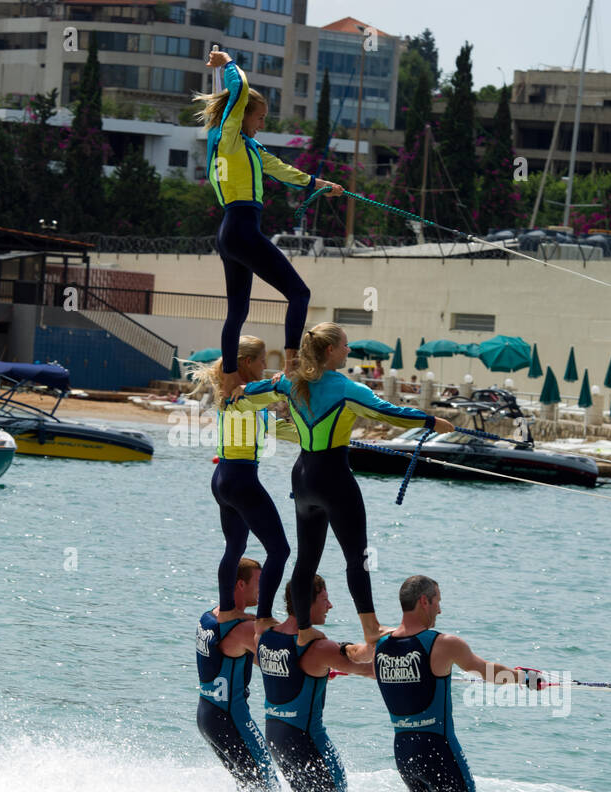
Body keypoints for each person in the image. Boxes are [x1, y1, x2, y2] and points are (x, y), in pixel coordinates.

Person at [234, 323, 453, 644]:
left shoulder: (291, 383)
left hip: (303, 478)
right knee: (357, 556)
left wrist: (241, 391)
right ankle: (370, 629)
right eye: (345, 346)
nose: (349, 351)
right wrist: (432, 421)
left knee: (307, 559)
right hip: (333, 478)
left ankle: (303, 631)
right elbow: (388, 413)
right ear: (329, 351)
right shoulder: (346, 388)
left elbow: (254, 391)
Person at [194, 48, 343, 399]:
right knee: (299, 293)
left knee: (238, 311)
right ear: (242, 116)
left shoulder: (245, 146)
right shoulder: (228, 137)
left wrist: (322, 186)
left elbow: (283, 170)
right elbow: (241, 87)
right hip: (242, 229)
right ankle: (292, 367)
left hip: (230, 232)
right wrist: (227, 62)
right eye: (259, 118)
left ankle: (230, 379)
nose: (263, 124)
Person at [373, 575, 544, 792]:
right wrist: (525, 678)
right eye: (437, 600)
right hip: (438, 752)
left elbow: (362, 664)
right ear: (424, 601)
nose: (440, 609)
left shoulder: (381, 646)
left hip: (404, 755)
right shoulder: (443, 643)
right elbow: (484, 671)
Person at [190, 335, 296, 638]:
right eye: (263, 361)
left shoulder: (238, 396)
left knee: (235, 547)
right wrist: (284, 380)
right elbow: (280, 391)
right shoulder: (243, 395)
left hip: (223, 478)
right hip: (241, 480)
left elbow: (275, 427)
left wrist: (314, 438)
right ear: (247, 363)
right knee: (280, 550)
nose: (266, 366)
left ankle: (227, 610)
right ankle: (263, 618)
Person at [258, 575, 374, 792]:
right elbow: (370, 670)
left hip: (276, 738)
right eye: (325, 599)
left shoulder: (265, 637)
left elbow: (284, 670)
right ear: (306, 602)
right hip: (308, 741)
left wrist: (319, 671)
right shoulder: (319, 647)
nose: (330, 606)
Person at [196, 557, 280, 792]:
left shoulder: (209, 617)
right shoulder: (241, 629)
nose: (262, 589)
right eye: (258, 582)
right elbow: (278, 658)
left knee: (249, 787)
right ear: (240, 585)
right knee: (268, 786)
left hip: (208, 715)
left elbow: (253, 658)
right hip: (231, 718)